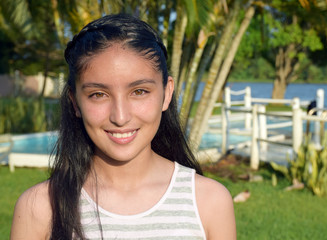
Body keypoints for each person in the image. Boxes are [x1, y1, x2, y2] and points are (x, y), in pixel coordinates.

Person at [10, 14, 236, 240]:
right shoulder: (41, 207)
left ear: (167, 93)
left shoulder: (208, 202)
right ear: (75, 102)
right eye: (98, 95)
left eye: (139, 92)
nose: (120, 116)